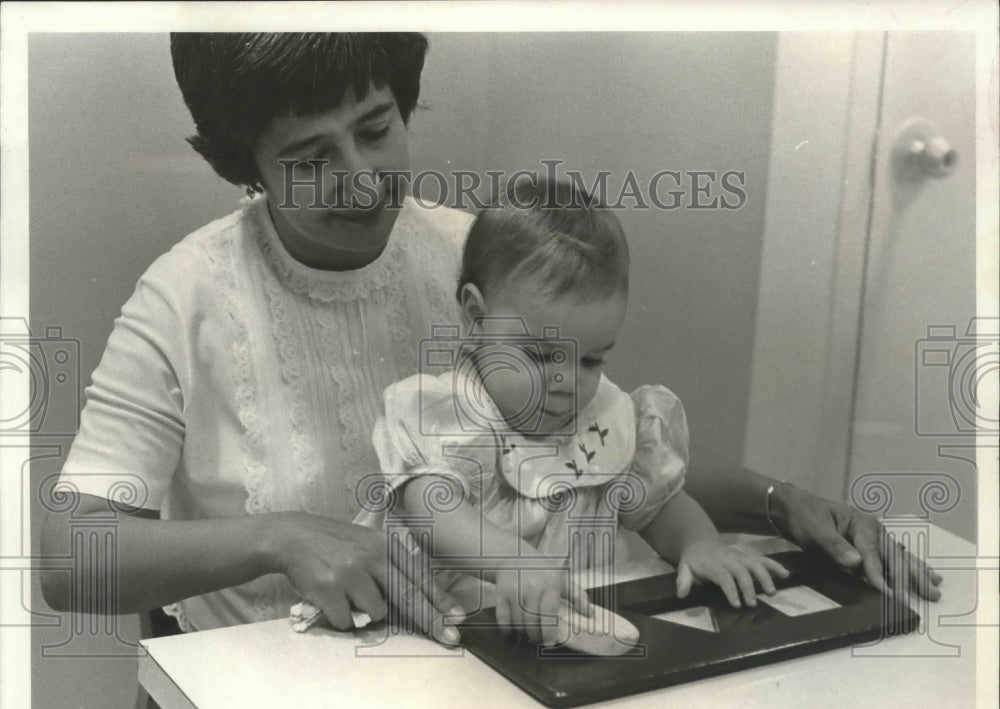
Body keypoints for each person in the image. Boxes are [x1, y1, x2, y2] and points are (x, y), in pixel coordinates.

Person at [41, 32, 940, 645]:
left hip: (473, 659)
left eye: (376, 130)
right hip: (277, 681)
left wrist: (781, 503)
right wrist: (279, 538)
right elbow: (70, 556)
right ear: (244, 165)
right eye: (311, 160)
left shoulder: (470, 251)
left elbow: (596, 449)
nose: (361, 184)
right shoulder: (186, 293)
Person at [296, 177, 795, 647]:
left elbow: (659, 506)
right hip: (433, 637)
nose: (565, 383)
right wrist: (513, 559)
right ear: (476, 316)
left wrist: (698, 543)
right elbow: (432, 511)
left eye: (591, 359)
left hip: (555, 640)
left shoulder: (607, 419)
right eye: (538, 355)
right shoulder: (442, 411)